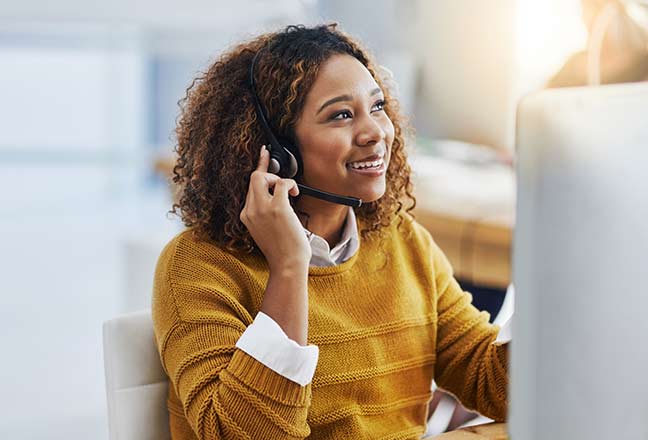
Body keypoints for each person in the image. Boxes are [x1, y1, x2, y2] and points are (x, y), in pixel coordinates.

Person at [152, 24, 508, 439]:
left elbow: (487, 379)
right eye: (341, 115)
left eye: (377, 107)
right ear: (274, 151)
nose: (376, 132)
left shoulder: (401, 239)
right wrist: (288, 267)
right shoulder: (198, 266)